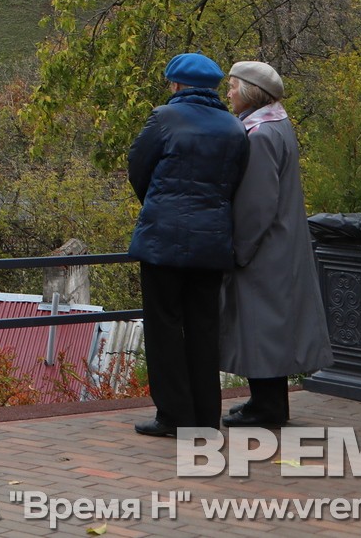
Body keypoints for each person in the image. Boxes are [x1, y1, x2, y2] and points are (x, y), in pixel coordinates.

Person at [126, 52, 250, 437]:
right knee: (203, 328)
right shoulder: (234, 127)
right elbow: (235, 182)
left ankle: (172, 415)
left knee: (163, 326)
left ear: (177, 84)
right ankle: (205, 415)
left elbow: (137, 166)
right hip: (211, 242)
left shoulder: (164, 117)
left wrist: (159, 204)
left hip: (162, 239)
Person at [219, 59, 333, 426]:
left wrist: (240, 248)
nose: (229, 92)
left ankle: (267, 408)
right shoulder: (276, 124)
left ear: (251, 91)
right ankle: (264, 402)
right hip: (280, 243)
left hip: (265, 249)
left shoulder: (260, 134)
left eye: (233, 86)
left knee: (261, 325)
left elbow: (256, 204)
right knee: (270, 325)